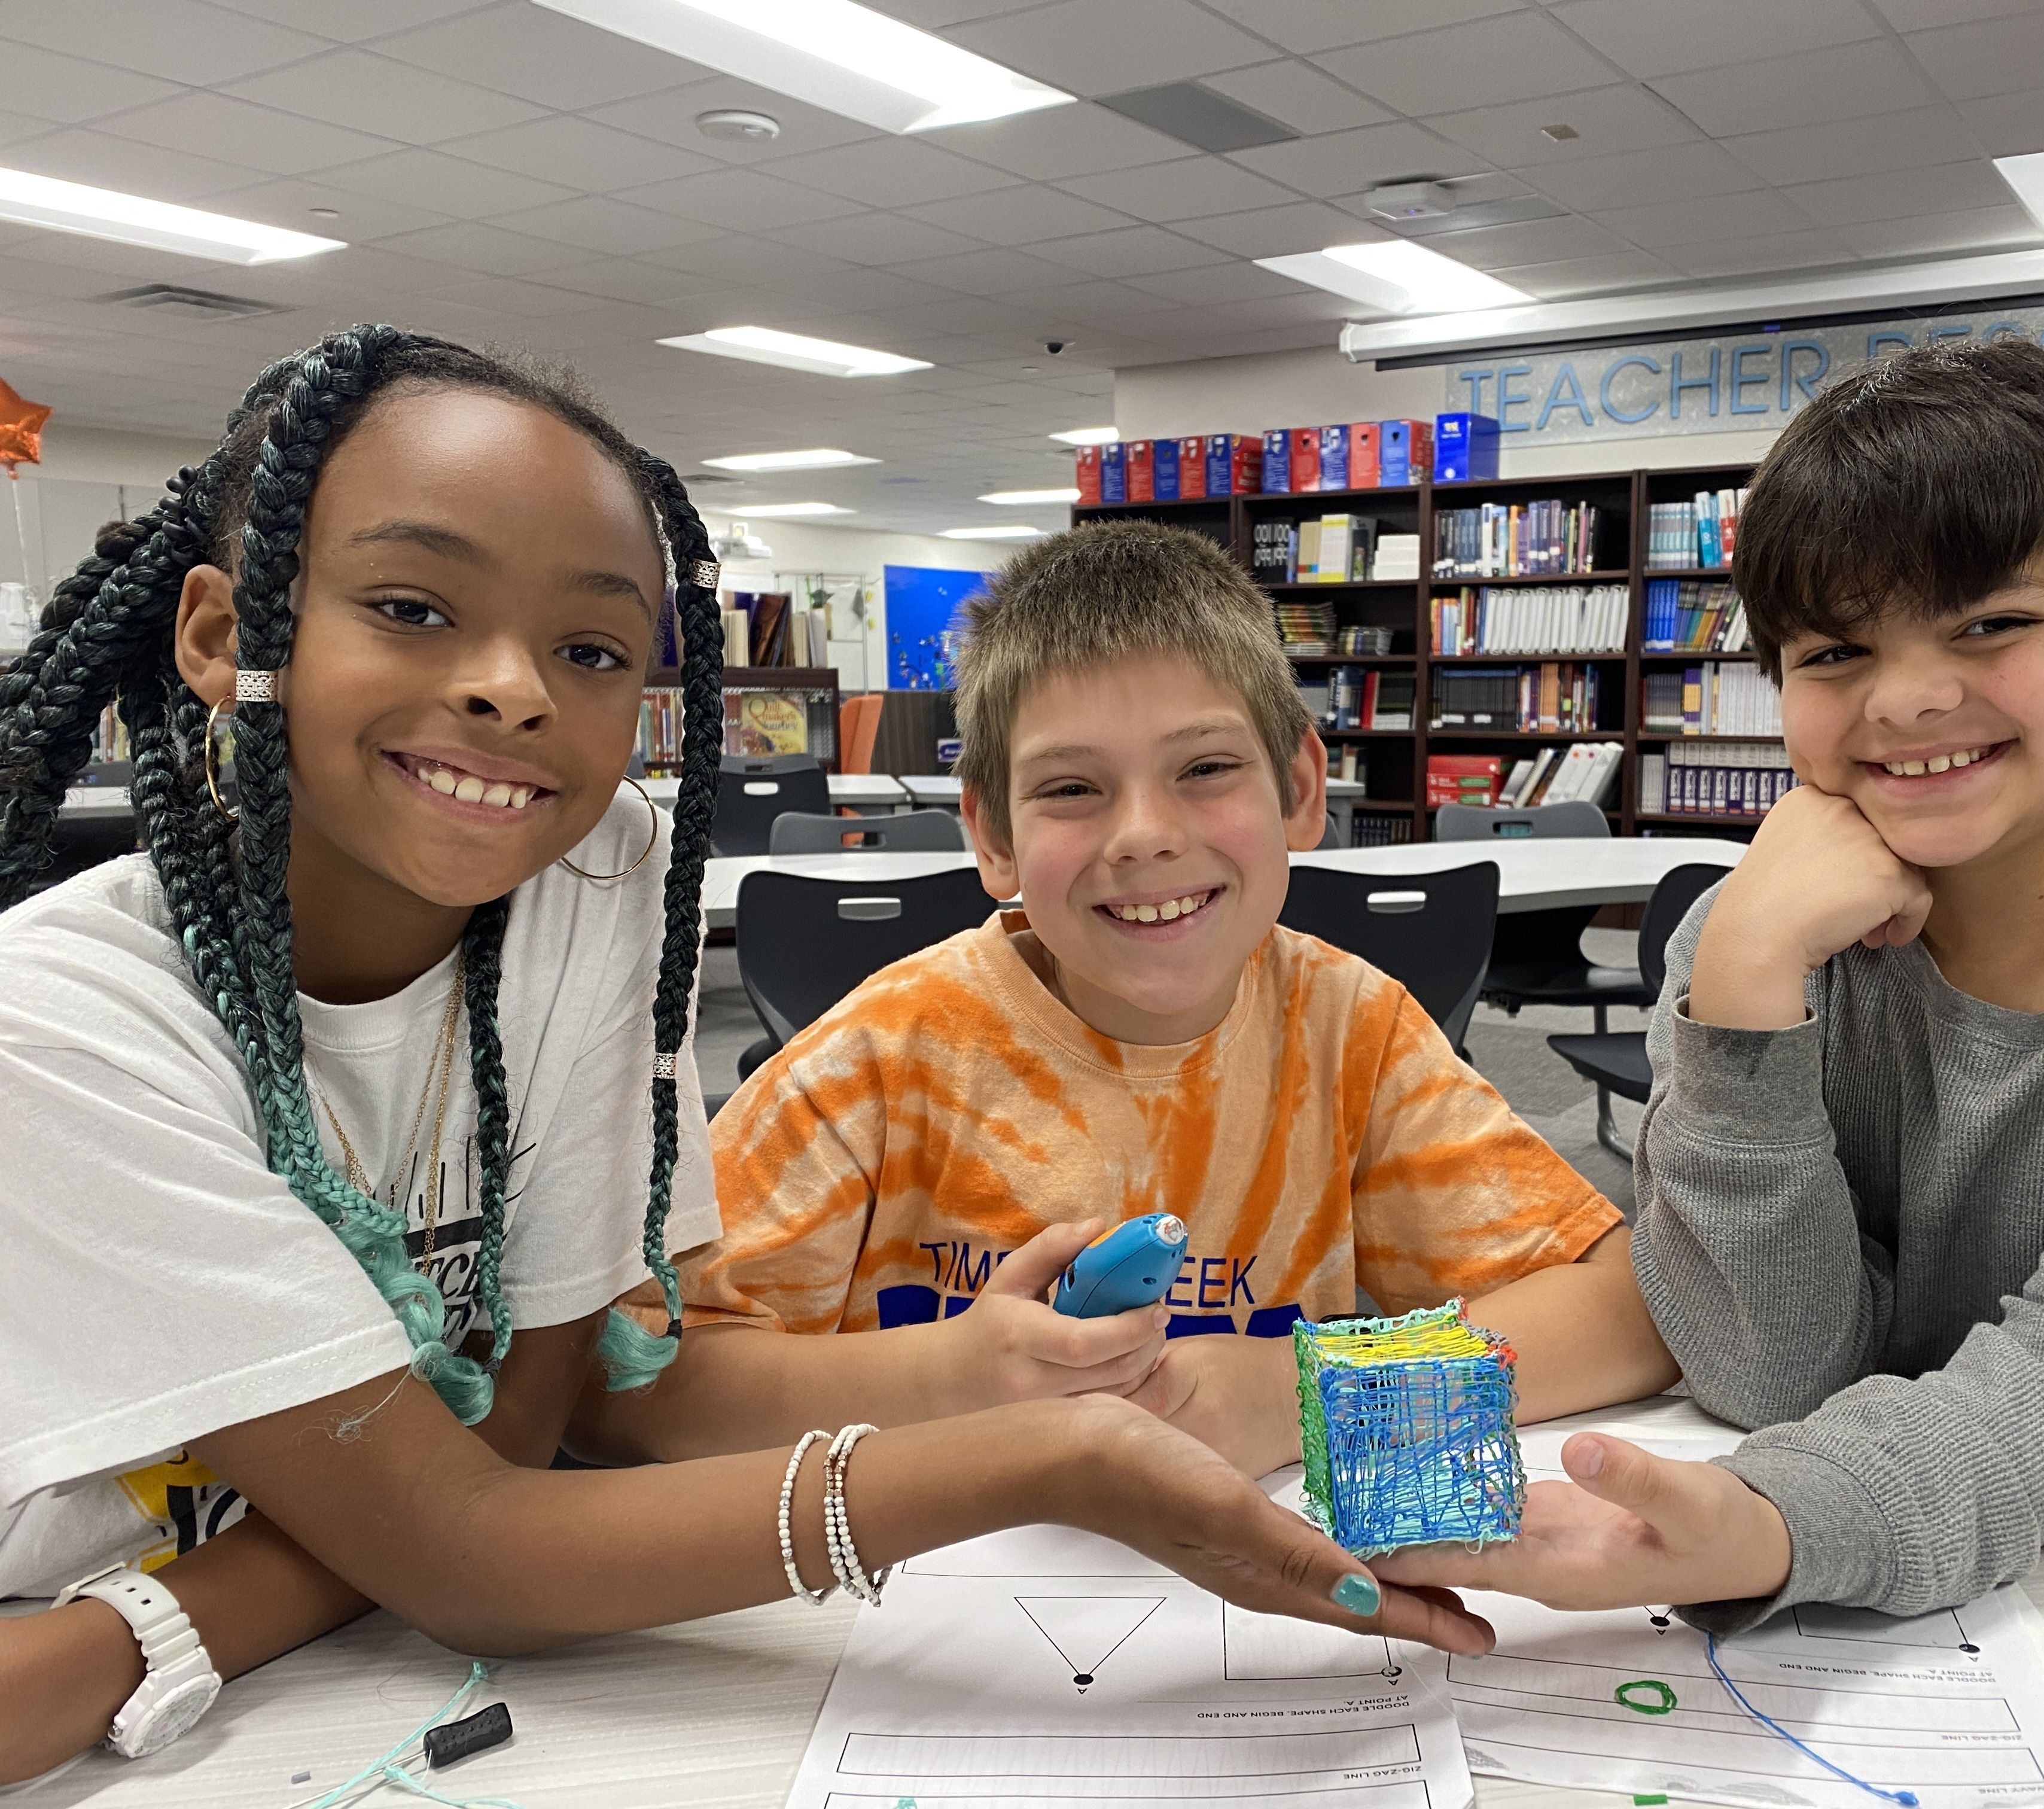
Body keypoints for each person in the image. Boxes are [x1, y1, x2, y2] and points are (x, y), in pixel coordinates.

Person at [0, 328, 1488, 1787]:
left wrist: (167, 1627)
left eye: (589, 647)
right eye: (410, 604)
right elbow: (473, 1542)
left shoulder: (591, 878)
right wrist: (1043, 1457)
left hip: (295, 1668)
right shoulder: (67, 1019)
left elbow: (510, 1452)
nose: (511, 687)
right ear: (221, 636)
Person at [1373, 338, 2044, 1630]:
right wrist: (1748, 982)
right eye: (1833, 654)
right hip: (1948, 1471)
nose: (1911, 700)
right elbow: (1769, 1368)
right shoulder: (1754, 942)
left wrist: (1775, 1526)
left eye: (1991, 624)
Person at [646, 519, 1679, 1484]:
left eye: (1206, 768)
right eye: (1071, 788)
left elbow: (1629, 1315)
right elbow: (633, 1389)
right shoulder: (886, 1053)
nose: (1143, 834)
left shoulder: (1348, 1031)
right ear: (993, 836)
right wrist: (946, 1381)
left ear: (1301, 792)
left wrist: (1301, 1396)